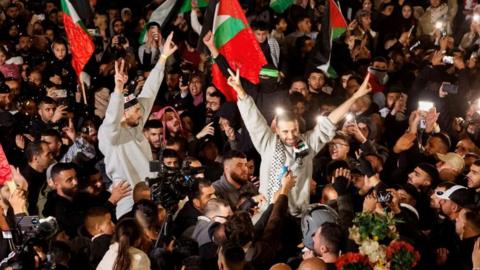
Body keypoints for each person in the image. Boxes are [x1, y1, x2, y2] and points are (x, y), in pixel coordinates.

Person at [225, 68, 372, 215]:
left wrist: (355, 96)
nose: (291, 136)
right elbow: (253, 119)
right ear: (276, 129)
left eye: (294, 130)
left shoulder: (305, 144)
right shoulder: (268, 142)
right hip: (267, 213)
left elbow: (330, 121)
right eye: (285, 132)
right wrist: (241, 92)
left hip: (296, 214)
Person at [98, 32, 177, 218]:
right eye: (136, 111)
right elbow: (111, 118)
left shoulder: (136, 124)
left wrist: (163, 58)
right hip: (127, 198)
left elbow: (150, 91)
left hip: (150, 193)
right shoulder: (110, 135)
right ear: (122, 113)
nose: (141, 114)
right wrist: (118, 90)